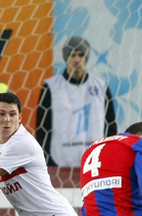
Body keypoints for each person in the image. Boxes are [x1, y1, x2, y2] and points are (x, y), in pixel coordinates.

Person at [36, 36, 117, 166]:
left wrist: (108, 156)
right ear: (66, 58)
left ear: (86, 58)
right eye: (72, 55)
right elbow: (42, 128)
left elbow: (110, 125)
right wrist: (47, 160)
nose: (77, 59)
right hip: (59, 162)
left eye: (81, 55)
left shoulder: (100, 86)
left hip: (96, 162)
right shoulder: (51, 87)